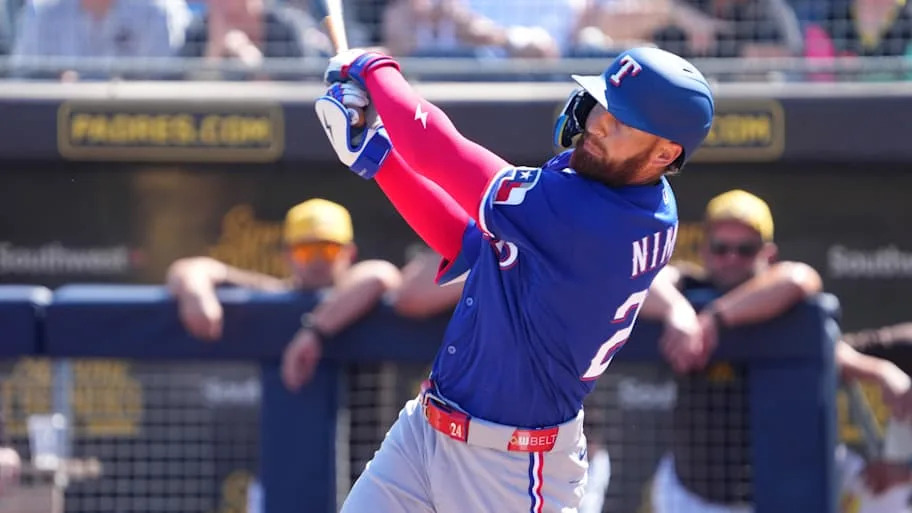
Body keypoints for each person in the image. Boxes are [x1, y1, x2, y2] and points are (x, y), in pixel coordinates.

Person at [312, 45, 714, 512]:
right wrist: (380, 159)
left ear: (665, 152)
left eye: (622, 122)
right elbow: (467, 243)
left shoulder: (593, 217)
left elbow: (435, 149)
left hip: (512, 469)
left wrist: (374, 68)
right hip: (426, 432)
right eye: (603, 105)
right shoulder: (616, 188)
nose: (599, 124)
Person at [636, 189, 825, 512]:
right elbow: (641, 282)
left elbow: (799, 279)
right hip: (688, 487)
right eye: (720, 248)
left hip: (762, 492)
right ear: (704, 250)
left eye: (745, 249)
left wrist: (714, 319)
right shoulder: (688, 285)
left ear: (768, 254)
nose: (731, 258)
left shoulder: (778, 295)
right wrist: (678, 313)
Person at [166, 198, 401, 388]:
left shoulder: (360, 288)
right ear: (287, 255)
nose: (317, 260)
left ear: (349, 253)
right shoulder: (277, 292)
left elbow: (380, 274)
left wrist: (314, 332)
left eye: (328, 249)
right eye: (305, 251)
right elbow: (192, 268)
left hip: (365, 429)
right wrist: (195, 295)